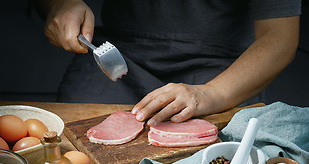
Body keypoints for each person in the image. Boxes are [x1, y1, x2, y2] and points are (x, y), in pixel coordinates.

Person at [33, 0, 301, 126]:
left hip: (219, 66)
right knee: (72, 136)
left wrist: (211, 93)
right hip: (119, 50)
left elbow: (280, 36)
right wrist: (58, 3)